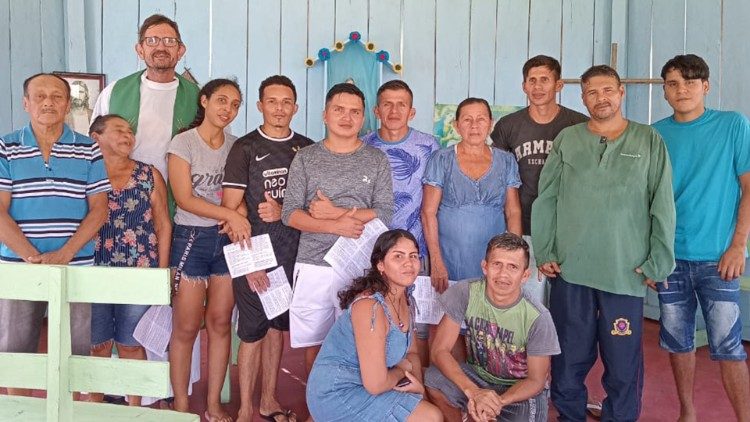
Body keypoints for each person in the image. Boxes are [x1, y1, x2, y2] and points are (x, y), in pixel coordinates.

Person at [531, 65, 676, 422]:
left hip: (624, 272)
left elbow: (662, 203)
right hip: (572, 271)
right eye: (592, 92)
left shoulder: (648, 140)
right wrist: (545, 251)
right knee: (568, 359)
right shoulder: (569, 139)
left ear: (621, 93)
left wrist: (659, 261)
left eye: (608, 90)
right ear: (582, 98)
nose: (601, 98)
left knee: (623, 363)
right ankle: (570, 416)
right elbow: (546, 197)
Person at [653, 54, 750, 422]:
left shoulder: (733, 126)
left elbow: (748, 187)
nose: (683, 90)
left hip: (719, 257)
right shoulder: (656, 133)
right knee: (678, 343)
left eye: (691, 83)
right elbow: (646, 200)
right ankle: (687, 413)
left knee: (729, 346)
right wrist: (653, 256)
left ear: (706, 86)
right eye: (674, 84)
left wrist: (738, 245)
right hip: (671, 259)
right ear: (664, 91)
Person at [0, 73, 110, 396]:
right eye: (40, 96)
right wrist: (31, 257)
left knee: (75, 353)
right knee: (17, 354)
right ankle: (19, 416)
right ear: (26, 103)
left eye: (57, 97)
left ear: (67, 104)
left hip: (75, 267)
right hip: (20, 267)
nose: (48, 102)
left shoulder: (89, 148)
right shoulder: (6, 147)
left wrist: (65, 254)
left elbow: (99, 209)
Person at [281, 82, 394, 379]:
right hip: (314, 264)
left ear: (364, 117)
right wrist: (333, 225)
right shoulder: (305, 157)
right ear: (325, 115)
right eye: (339, 110)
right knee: (315, 344)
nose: (347, 117)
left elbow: (385, 212)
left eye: (354, 111)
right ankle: (318, 406)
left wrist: (336, 213)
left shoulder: (376, 159)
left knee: (359, 342)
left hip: (361, 264)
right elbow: (290, 213)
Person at [222, 75, 313, 422]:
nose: (279, 108)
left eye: (286, 101)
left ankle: (268, 400)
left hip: (293, 255)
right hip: (256, 255)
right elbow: (232, 210)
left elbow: (313, 205)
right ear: (260, 106)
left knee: (277, 328)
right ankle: (246, 409)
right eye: (272, 101)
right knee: (252, 330)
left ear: (296, 107)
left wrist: (284, 211)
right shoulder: (245, 148)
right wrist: (250, 263)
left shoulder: (306, 148)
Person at [167, 78, 247, 421]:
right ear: (204, 101)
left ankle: (213, 403)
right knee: (186, 326)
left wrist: (238, 213)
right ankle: (182, 404)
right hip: (191, 240)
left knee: (220, 323)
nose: (227, 109)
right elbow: (185, 198)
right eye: (221, 101)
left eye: (234, 104)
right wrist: (230, 213)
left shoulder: (237, 146)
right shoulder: (182, 143)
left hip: (226, 240)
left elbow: (243, 194)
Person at [306, 229, 442, 422]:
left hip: (371, 384)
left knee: (429, 410)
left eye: (413, 256)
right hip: (337, 393)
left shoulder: (405, 299)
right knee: (431, 417)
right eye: (398, 256)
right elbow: (376, 385)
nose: (408, 263)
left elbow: (411, 355)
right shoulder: (370, 307)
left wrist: (419, 391)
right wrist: (402, 370)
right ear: (381, 265)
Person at [425, 233, 560, 422]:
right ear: (485, 267)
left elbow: (536, 380)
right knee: (433, 379)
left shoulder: (538, 317)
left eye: (513, 267)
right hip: (477, 379)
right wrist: (474, 392)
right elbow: (439, 350)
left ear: (525, 275)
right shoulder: (465, 292)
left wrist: (497, 402)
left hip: (516, 391)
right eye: (497, 264)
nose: (503, 274)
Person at [87, 114, 171, 406]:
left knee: (131, 345)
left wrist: (162, 275)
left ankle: (134, 410)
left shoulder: (149, 175)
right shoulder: (86, 173)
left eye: (130, 131)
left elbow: (163, 225)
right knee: (97, 346)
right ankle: (93, 409)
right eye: (119, 129)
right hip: (93, 273)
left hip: (139, 273)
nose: (128, 135)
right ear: (95, 137)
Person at [490, 55, 587, 304]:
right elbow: (498, 176)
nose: (537, 86)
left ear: (559, 85)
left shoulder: (578, 124)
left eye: (545, 80)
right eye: (532, 80)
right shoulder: (508, 126)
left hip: (567, 227)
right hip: (524, 226)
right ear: (524, 86)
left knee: (569, 304)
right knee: (529, 300)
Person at [362, 79, 440, 366]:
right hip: (372, 250)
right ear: (376, 110)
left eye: (401, 104)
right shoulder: (363, 145)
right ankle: (380, 383)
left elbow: (435, 203)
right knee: (375, 320)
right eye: (387, 104)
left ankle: (419, 391)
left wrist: (434, 253)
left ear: (412, 111)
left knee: (418, 327)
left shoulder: (429, 146)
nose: (394, 110)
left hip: (416, 250)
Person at [422, 97, 522, 294]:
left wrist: (514, 259)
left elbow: (513, 211)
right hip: (450, 257)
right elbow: (428, 213)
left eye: (481, 119)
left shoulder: (506, 160)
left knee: (490, 315)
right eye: (467, 120)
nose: (474, 126)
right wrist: (436, 261)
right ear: (456, 125)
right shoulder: (441, 159)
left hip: (495, 258)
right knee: (450, 315)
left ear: (491, 124)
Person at [92, 14, 199, 181]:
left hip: (180, 196)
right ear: (140, 50)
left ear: (180, 51)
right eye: (152, 41)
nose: (161, 47)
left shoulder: (199, 97)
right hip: (122, 192)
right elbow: (95, 144)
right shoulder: (114, 92)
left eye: (169, 41)